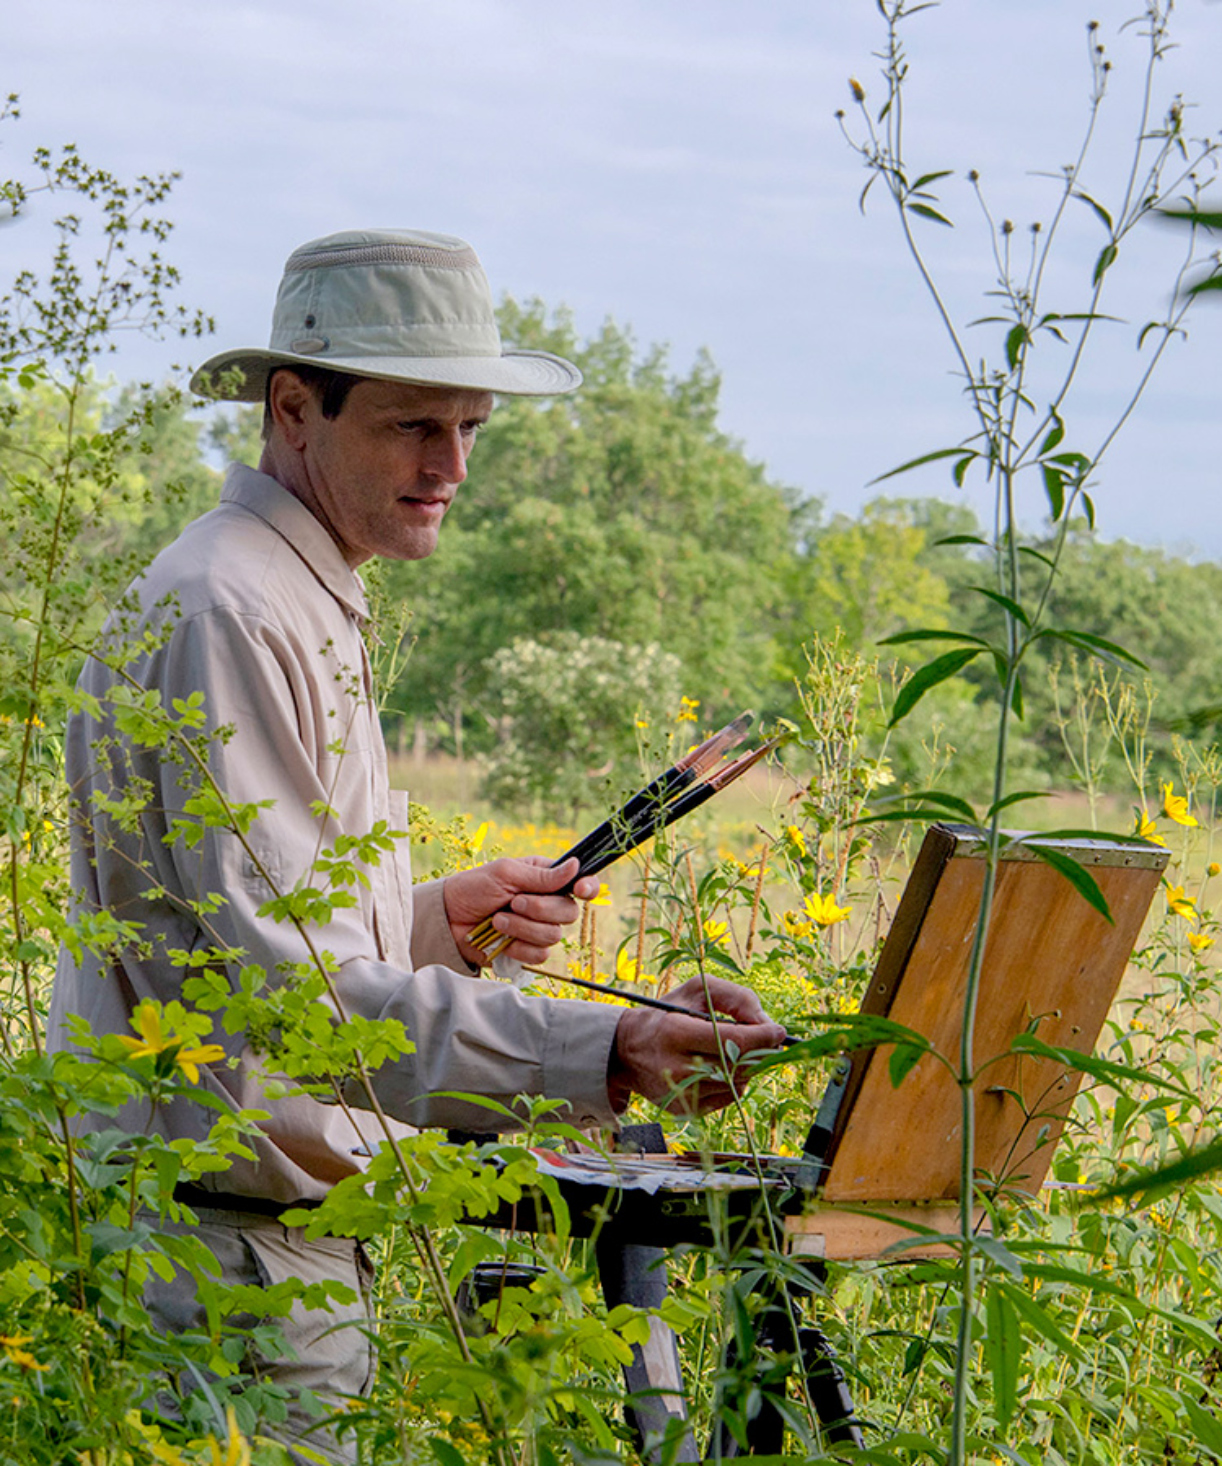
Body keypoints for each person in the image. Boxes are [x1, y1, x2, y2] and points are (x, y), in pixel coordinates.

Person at [49, 229, 785, 1461]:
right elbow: (292, 999)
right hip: (225, 1264)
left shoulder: (288, 587)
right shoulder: (233, 607)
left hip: (253, 1243)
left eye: (471, 429)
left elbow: (243, 935)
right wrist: (611, 1042)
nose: (450, 465)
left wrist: (443, 919)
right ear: (294, 406)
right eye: (411, 426)